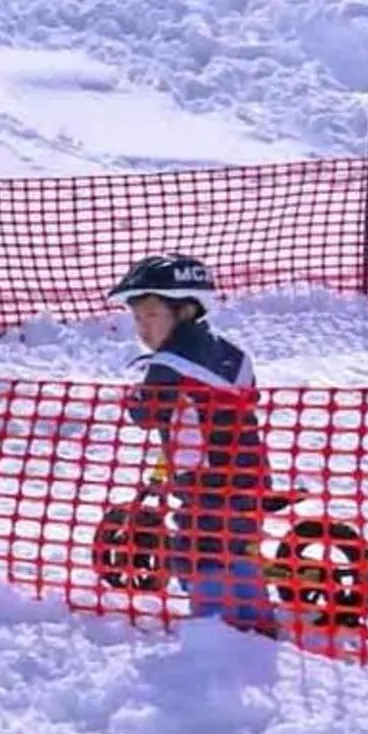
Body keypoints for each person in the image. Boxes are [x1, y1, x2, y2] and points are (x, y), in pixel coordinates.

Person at [109, 256, 279, 635]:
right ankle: (241, 617)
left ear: (185, 310)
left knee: (203, 547)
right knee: (232, 543)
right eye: (137, 318)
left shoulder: (170, 362)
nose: (142, 328)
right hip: (249, 472)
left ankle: (226, 628)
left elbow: (147, 414)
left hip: (208, 480)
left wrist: (133, 399)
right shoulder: (232, 354)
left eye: (151, 315)